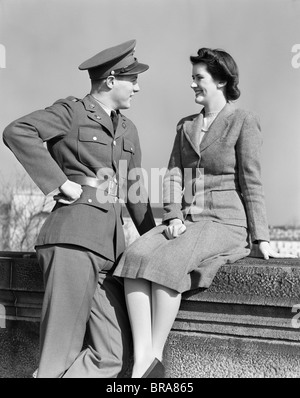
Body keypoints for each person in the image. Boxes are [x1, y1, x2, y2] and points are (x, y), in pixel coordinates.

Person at [113, 47, 298, 378]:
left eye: (199, 78)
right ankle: (144, 358)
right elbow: (173, 176)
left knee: (169, 262)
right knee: (136, 254)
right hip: (187, 220)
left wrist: (262, 237)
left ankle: (153, 356)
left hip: (226, 222)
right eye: (193, 78)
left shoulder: (243, 120)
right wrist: (172, 218)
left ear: (221, 81)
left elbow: (251, 181)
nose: (193, 84)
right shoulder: (185, 125)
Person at [2, 39, 156, 378]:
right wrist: (60, 182)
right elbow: (17, 131)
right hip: (73, 239)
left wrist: (158, 241)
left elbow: (134, 192)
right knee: (60, 352)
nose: (138, 87)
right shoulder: (72, 112)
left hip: (111, 251)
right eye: (133, 79)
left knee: (111, 356)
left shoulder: (129, 129)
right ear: (111, 80)